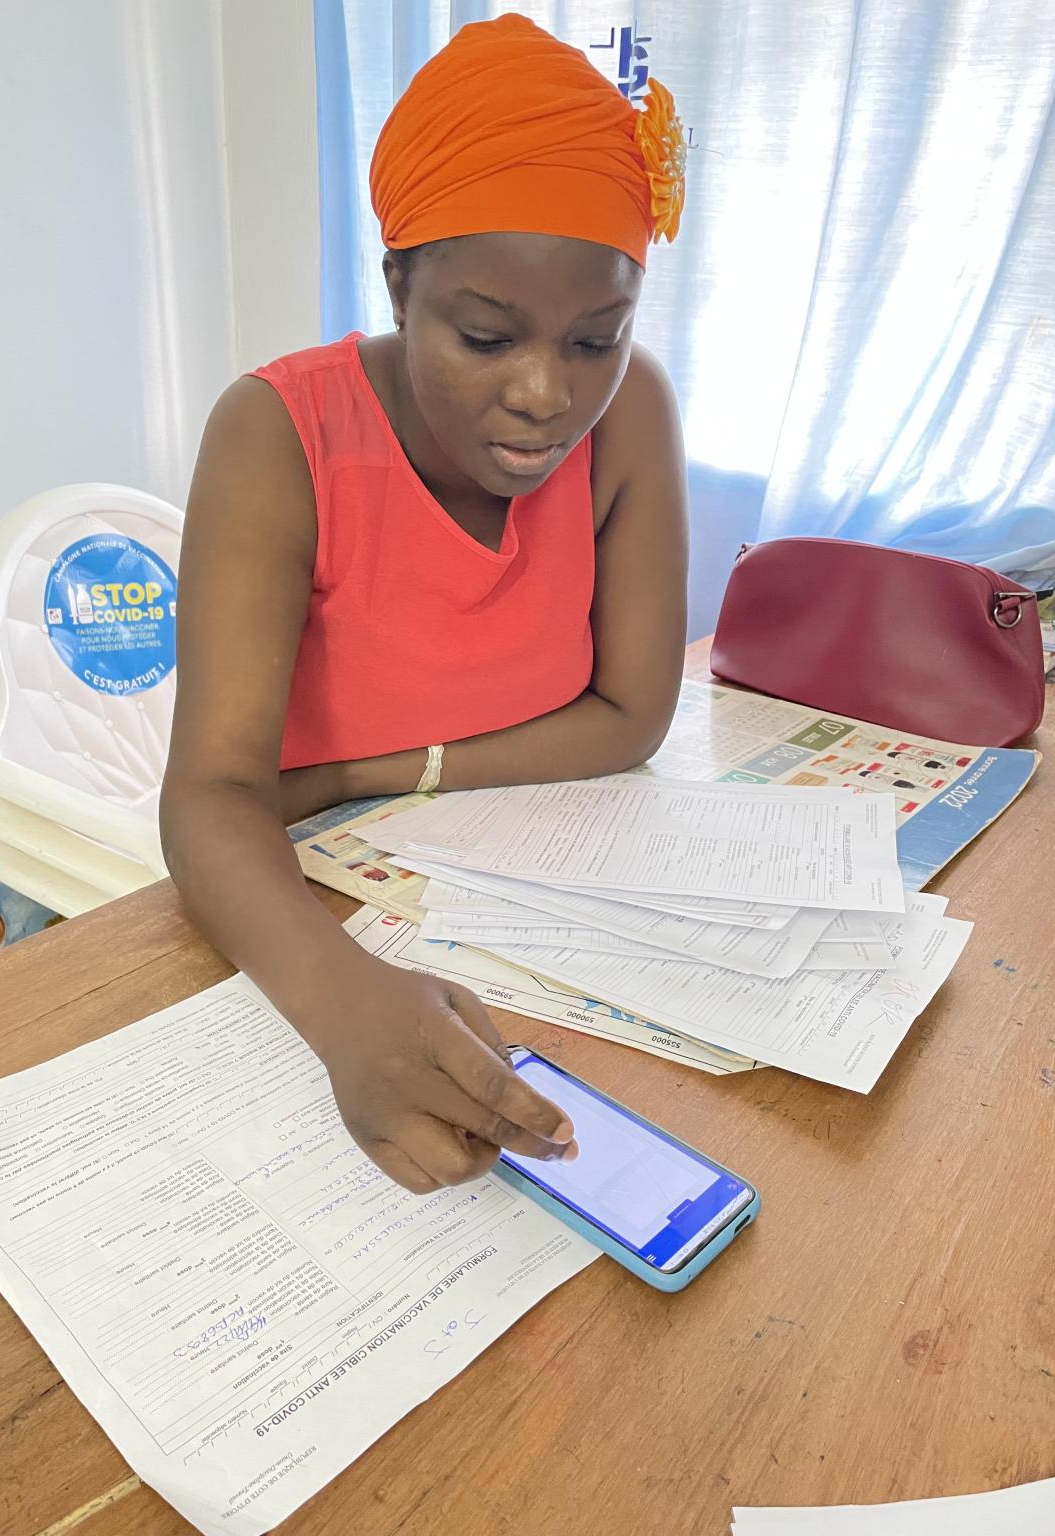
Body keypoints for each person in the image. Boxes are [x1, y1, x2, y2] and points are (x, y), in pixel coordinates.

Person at [161, 14, 689, 1197]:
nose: (549, 395)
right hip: (306, 916)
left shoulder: (631, 419)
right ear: (400, 283)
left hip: (556, 912)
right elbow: (209, 798)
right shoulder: (279, 437)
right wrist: (345, 1004)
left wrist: (363, 771)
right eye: (486, 336)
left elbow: (634, 716)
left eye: (596, 338)